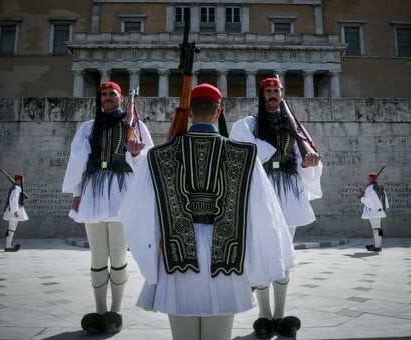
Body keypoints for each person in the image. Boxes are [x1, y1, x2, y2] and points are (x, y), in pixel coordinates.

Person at [119, 83, 296, 340]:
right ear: (218, 112)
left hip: (175, 259)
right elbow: (264, 215)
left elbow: (135, 214)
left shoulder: (157, 155)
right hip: (227, 261)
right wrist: (258, 268)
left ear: (189, 113)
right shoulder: (246, 155)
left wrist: (151, 265)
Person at [230, 77, 323, 338]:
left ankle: (280, 315)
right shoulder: (248, 124)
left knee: (283, 253)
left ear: (282, 94)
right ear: (261, 95)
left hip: (288, 190)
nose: (272, 95)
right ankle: (263, 315)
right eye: (268, 91)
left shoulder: (294, 126)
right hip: (262, 189)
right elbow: (245, 149)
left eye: (276, 91)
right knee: (261, 251)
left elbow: (308, 156)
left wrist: (309, 161)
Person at [62, 81, 153, 334]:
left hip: (121, 191)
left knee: (118, 254)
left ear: (121, 98)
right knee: (98, 255)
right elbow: (78, 160)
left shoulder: (135, 126)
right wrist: (78, 193)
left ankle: (116, 309)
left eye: (112, 94)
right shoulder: (87, 128)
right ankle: (100, 310)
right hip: (93, 190)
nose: (107, 98)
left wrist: (135, 154)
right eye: (103, 94)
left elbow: (147, 160)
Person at [359, 173, 389, 252]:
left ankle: (377, 246)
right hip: (378, 211)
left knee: (375, 229)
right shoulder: (379, 186)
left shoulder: (370, 188)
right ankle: (378, 244)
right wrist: (382, 208)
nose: (368, 179)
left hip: (373, 211)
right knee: (379, 228)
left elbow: (369, 200)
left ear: (372, 179)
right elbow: (384, 198)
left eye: (369, 178)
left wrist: (361, 199)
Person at [2, 173, 28, 252]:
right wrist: (15, 211)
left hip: (13, 211)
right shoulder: (17, 188)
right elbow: (13, 200)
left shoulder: (16, 188)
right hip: (14, 212)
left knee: (11, 229)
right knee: (11, 229)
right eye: (22, 179)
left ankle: (8, 246)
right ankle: (8, 247)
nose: (23, 180)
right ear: (19, 180)